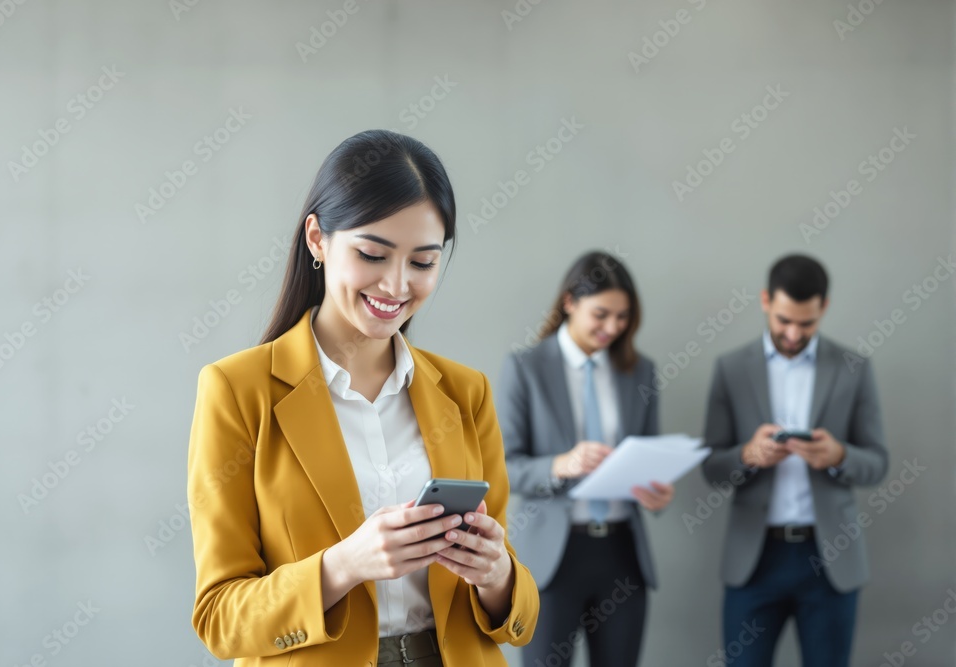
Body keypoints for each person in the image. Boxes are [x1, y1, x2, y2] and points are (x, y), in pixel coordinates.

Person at [186, 130, 539, 667]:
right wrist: (344, 565)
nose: (396, 286)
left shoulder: (466, 393)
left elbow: (516, 619)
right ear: (317, 240)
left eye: (422, 262)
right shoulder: (238, 391)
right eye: (373, 254)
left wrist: (497, 574)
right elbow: (220, 619)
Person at [700, 254, 888, 666]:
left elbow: (877, 463)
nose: (792, 333)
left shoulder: (854, 368)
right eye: (784, 320)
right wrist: (747, 455)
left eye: (806, 323)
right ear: (766, 300)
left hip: (829, 560)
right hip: (753, 561)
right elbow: (711, 467)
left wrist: (839, 455)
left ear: (825, 307)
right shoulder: (730, 369)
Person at [497, 251, 674, 667]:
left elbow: (648, 453)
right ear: (569, 303)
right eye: (601, 314)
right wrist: (562, 464)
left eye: (623, 316)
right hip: (553, 559)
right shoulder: (526, 368)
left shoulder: (640, 372)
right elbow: (503, 468)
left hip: (621, 554)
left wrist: (657, 492)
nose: (612, 327)